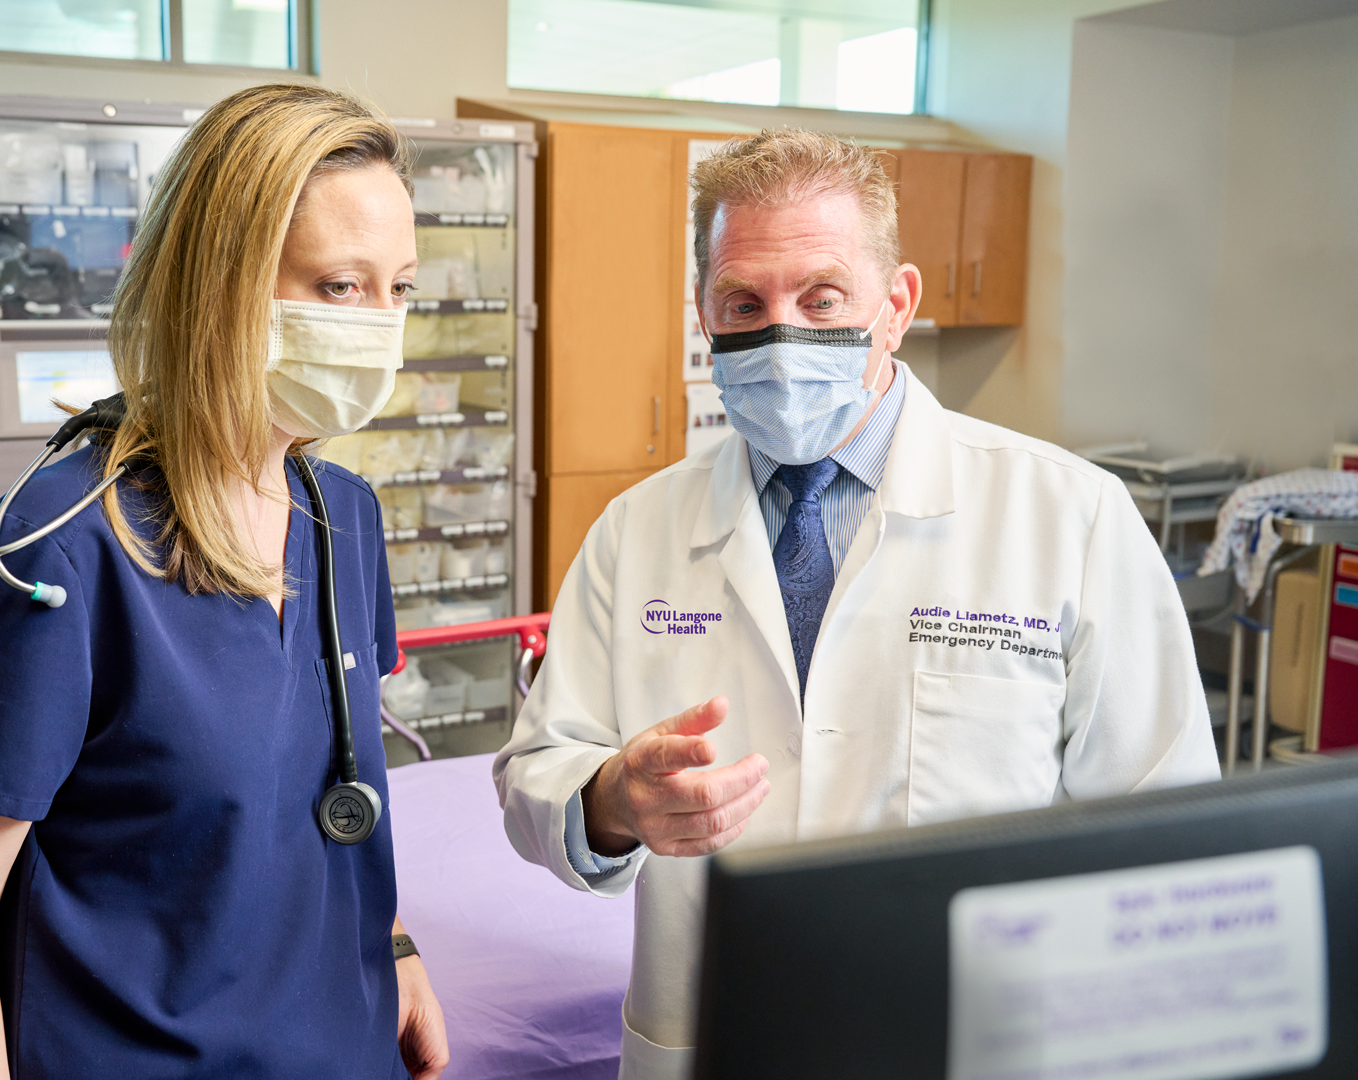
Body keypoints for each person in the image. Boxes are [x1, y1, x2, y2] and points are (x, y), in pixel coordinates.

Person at [494, 130, 1220, 1080]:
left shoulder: (1068, 518)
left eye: (822, 297)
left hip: (968, 1044)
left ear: (897, 306)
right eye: (743, 303)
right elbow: (532, 777)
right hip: (710, 1039)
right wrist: (614, 802)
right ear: (705, 314)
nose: (780, 334)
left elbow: (1164, 835)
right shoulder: (638, 533)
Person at [0, 85, 449, 1080]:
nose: (379, 330)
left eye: (398, 289)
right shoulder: (53, 557)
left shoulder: (342, 517)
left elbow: (338, 780)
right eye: (338, 288)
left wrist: (391, 944)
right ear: (215, 283)